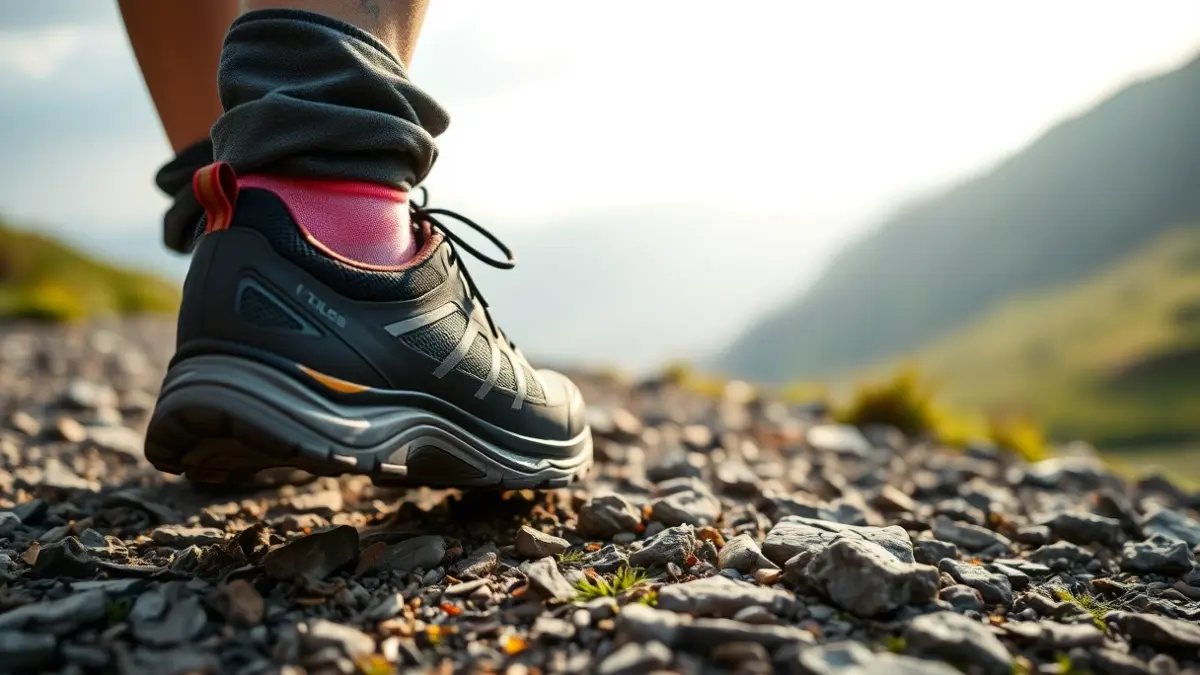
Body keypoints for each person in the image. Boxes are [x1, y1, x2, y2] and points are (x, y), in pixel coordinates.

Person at [117, 0, 592, 489]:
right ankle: (349, 228)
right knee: (321, 189)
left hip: (229, 264)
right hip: (334, 285)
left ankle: (252, 272)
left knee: (255, 192)